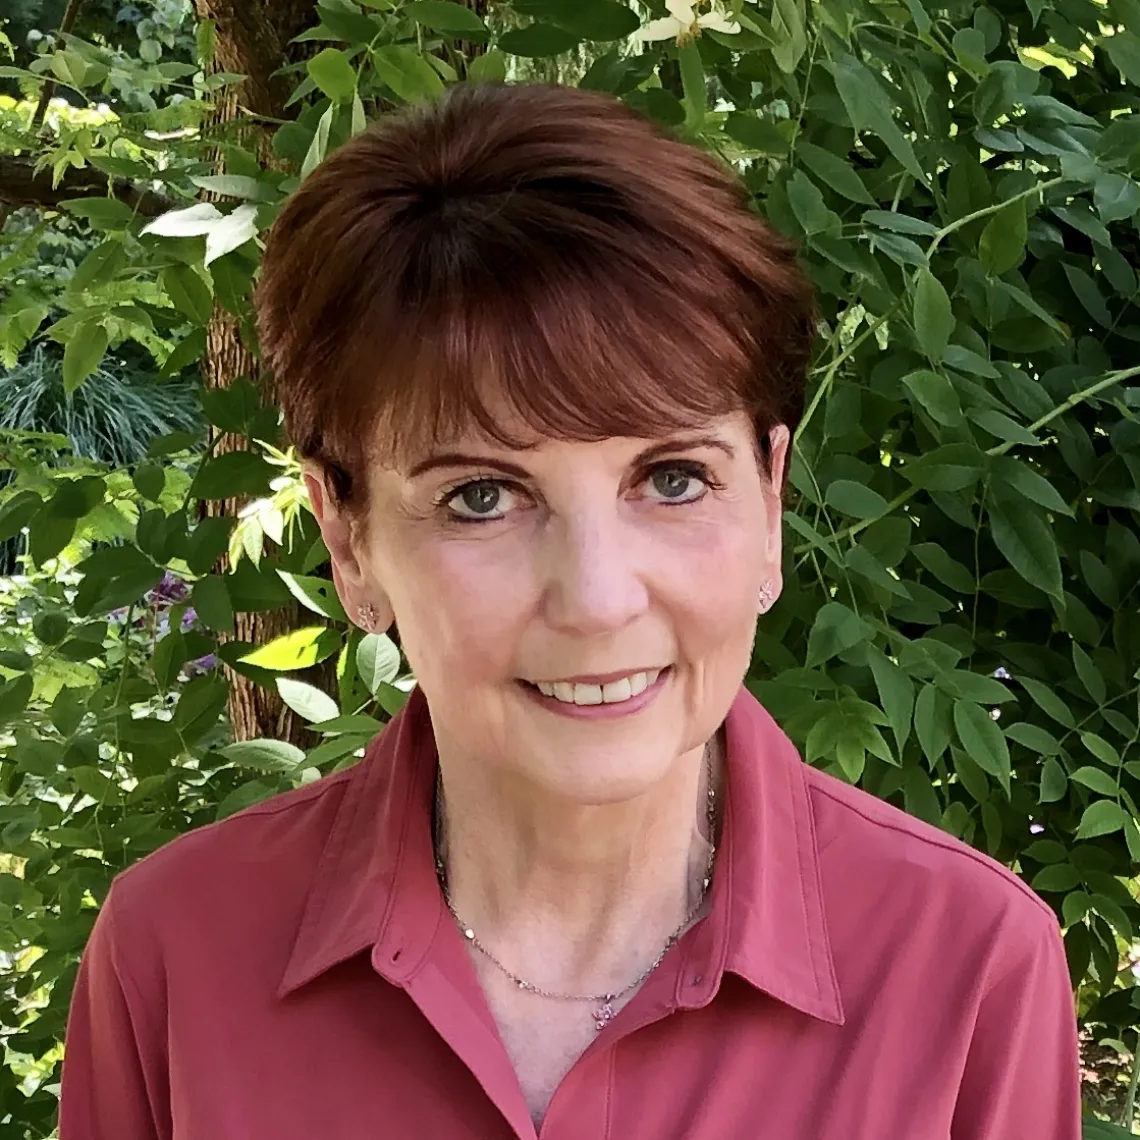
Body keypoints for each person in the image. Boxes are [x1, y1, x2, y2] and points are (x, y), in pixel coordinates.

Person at [60, 82, 1081, 1139]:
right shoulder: (175, 958)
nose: (598, 600)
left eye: (674, 479)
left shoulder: (965, 970)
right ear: (349, 539)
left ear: (771, 501)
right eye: (482, 497)